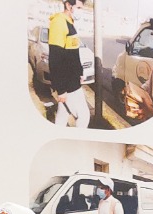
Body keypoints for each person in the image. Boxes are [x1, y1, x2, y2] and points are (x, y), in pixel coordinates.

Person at [47, 0, 90, 129]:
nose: (80, 11)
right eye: (78, 7)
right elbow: (55, 58)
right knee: (84, 116)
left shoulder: (69, 22)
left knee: (62, 115)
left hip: (72, 79)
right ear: (68, 5)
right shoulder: (59, 23)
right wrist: (61, 90)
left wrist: (80, 72)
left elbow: (73, 53)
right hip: (67, 82)